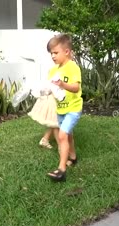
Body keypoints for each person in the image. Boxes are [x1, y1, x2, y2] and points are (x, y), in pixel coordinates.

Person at [44, 34, 82, 182]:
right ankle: (73, 157)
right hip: (60, 109)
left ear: (66, 52)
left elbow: (75, 87)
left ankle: (61, 170)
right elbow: (51, 88)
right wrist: (44, 90)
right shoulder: (53, 71)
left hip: (73, 108)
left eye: (55, 53)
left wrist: (63, 85)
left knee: (62, 136)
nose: (53, 56)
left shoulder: (73, 67)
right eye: (51, 53)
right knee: (68, 135)